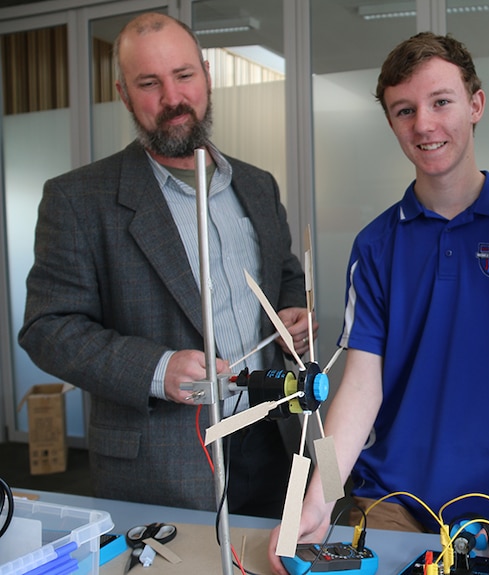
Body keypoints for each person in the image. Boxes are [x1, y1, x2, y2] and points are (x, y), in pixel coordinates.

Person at [268, 32, 489, 573]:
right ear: (390, 122)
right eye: (404, 110)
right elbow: (359, 384)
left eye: (441, 102)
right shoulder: (375, 245)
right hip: (388, 503)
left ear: (475, 104)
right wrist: (319, 496)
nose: (423, 125)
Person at [18, 12, 313, 518]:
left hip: (274, 439)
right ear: (123, 93)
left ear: (206, 75)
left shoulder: (258, 185)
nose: (172, 98)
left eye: (183, 75)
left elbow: (284, 272)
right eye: (149, 83)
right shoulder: (77, 199)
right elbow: (48, 329)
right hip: (162, 464)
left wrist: (293, 310)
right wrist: (157, 369)